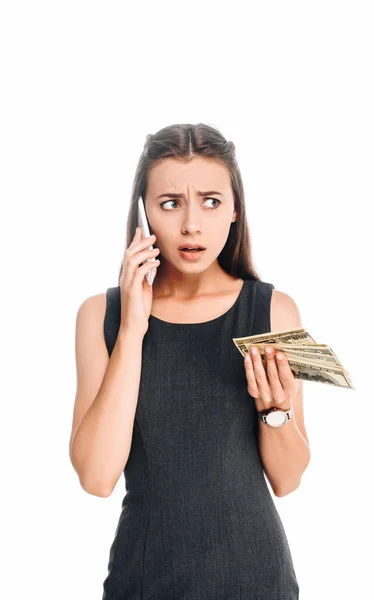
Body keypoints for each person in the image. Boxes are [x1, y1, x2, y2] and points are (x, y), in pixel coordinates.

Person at [69, 123, 311, 599]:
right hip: (143, 582)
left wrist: (275, 410)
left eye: (211, 201)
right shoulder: (101, 315)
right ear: (144, 213)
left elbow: (288, 479)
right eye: (171, 203)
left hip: (256, 581)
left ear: (235, 209)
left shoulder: (274, 311)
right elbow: (97, 477)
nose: (192, 225)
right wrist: (134, 330)